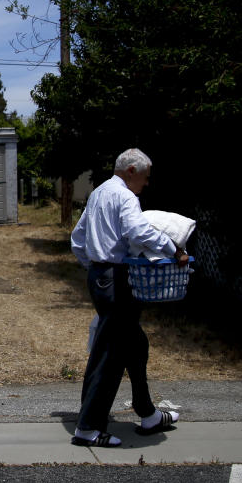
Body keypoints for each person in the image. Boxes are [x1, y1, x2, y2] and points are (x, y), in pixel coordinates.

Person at [69, 148, 190, 447]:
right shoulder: (125, 196)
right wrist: (173, 249)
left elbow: (77, 238)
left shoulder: (98, 193)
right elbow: (139, 232)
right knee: (110, 355)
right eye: (145, 177)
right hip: (117, 280)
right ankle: (87, 428)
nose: (146, 184)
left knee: (135, 344)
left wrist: (96, 267)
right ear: (132, 170)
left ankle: (146, 412)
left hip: (100, 277)